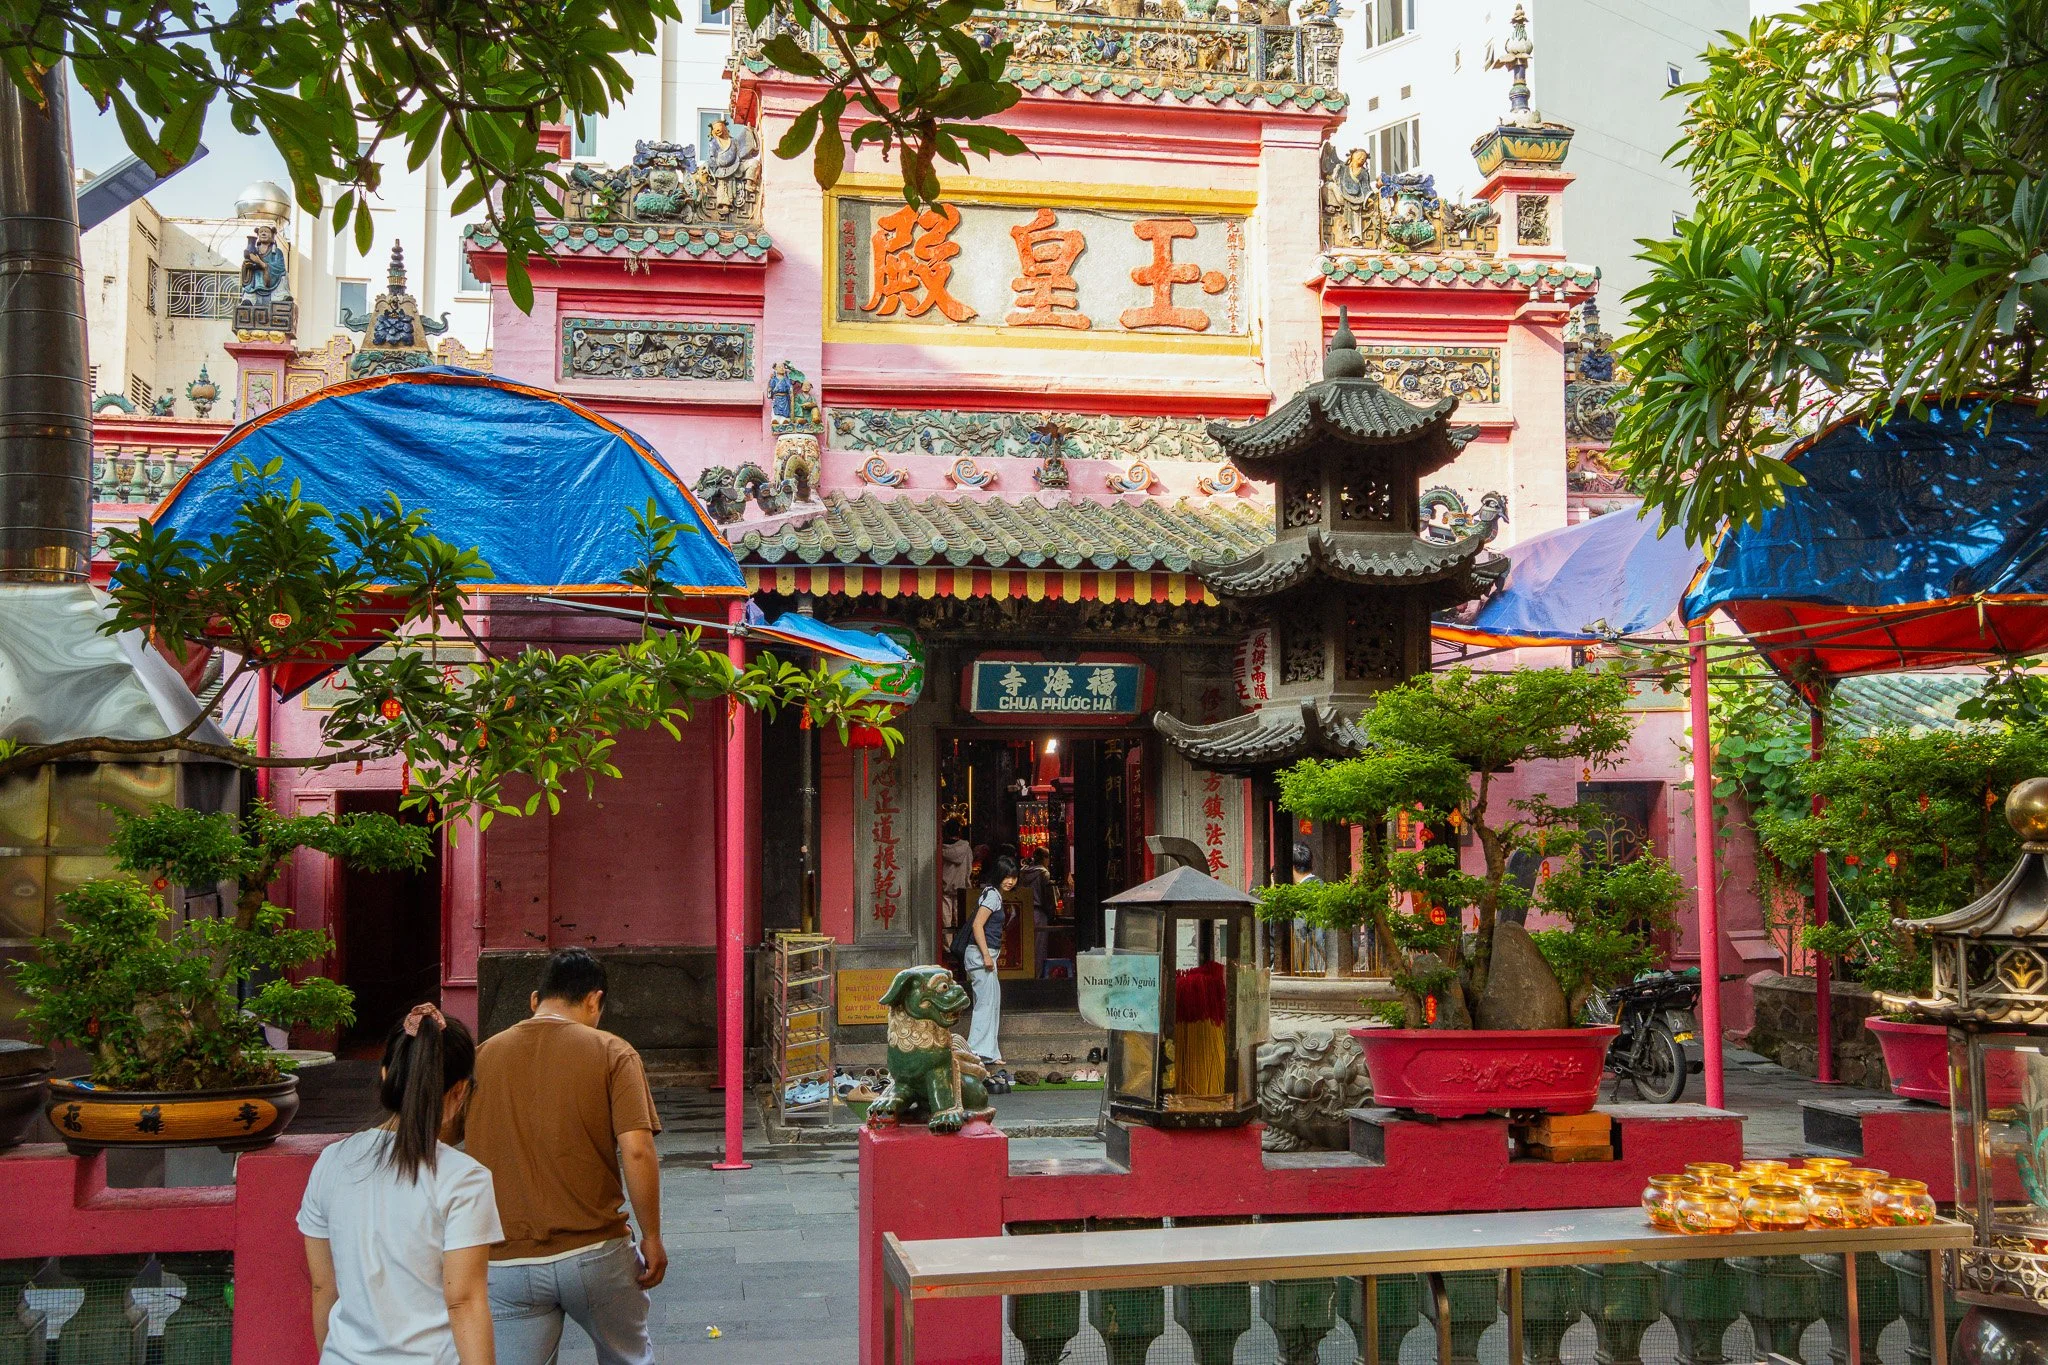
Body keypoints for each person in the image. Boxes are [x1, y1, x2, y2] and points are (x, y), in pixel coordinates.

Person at [464, 950, 665, 1365]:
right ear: (594, 1000)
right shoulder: (614, 1052)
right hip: (595, 1252)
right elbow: (637, 1151)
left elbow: (444, 1137)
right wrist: (652, 1236)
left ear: (535, 1000)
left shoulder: (481, 1057)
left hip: (506, 1260)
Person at [300, 1004, 501, 1365]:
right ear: (459, 1093)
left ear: (384, 1075)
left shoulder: (331, 1162)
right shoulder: (465, 1180)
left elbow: (322, 1287)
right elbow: (465, 1302)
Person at [967, 856, 1017, 1086]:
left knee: (992, 1001)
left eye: (1014, 877)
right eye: (1007, 876)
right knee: (985, 1004)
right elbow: (978, 924)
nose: (1011, 881)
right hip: (981, 957)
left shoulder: (993, 894)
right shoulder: (992, 896)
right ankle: (975, 1052)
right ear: (999, 876)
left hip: (986, 956)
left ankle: (989, 1052)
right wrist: (986, 955)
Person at [940, 819, 973, 931]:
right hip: (961, 887)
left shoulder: (941, 849)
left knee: (946, 920)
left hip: (944, 887)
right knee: (960, 919)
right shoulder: (966, 848)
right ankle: (959, 944)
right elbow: (969, 867)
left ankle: (948, 946)